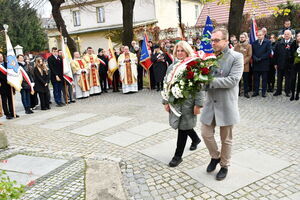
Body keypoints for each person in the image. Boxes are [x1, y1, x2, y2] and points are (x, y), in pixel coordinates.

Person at [201, 28, 243, 181]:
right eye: (212, 40)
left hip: (226, 104)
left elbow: (233, 80)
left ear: (226, 41)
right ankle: (215, 156)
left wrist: (208, 81)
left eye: (216, 40)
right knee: (205, 134)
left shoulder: (236, 57)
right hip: (210, 103)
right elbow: (203, 77)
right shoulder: (209, 57)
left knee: (226, 139)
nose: (213, 43)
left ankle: (224, 165)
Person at [162, 41, 203, 168]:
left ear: (187, 51)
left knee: (183, 127)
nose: (179, 53)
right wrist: (165, 101)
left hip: (188, 103)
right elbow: (165, 84)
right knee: (184, 125)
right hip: (175, 102)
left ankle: (177, 156)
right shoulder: (172, 67)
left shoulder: (193, 65)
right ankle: (195, 139)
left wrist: (198, 104)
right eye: (177, 51)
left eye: (182, 51)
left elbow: (199, 86)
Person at [274, 30, 294, 97]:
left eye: (288, 34)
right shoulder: (279, 43)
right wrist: (275, 63)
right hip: (280, 64)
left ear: (291, 35)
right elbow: (275, 54)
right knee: (279, 79)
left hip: (289, 65)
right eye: (285, 34)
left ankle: (287, 91)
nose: (286, 35)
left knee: (288, 79)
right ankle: (278, 91)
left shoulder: (293, 43)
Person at [251, 30, 271, 97]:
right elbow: (252, 52)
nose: (259, 36)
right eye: (258, 35)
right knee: (256, 79)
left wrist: (261, 58)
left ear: (263, 35)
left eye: (260, 35)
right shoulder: (254, 43)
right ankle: (256, 92)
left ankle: (263, 92)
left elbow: (268, 52)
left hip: (264, 63)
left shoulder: (268, 42)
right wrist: (255, 58)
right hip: (256, 63)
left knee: (264, 79)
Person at [0, 53, 18, 119]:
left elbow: (12, 72)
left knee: (11, 100)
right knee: (4, 101)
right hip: (2, 86)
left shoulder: (7, 64)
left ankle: (12, 112)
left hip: (9, 85)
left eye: (1, 56)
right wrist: (7, 78)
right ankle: (7, 114)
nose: (1, 58)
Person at [234, 33, 252, 98]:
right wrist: (238, 62)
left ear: (245, 38)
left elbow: (249, 55)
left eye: (243, 37)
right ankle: (237, 92)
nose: (241, 38)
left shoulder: (249, 46)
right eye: (240, 37)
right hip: (237, 66)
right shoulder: (236, 46)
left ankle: (246, 92)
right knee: (238, 80)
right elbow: (234, 54)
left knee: (246, 80)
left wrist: (243, 62)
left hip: (245, 65)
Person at [290, 32, 300, 101]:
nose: (299, 37)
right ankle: (293, 94)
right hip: (294, 64)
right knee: (293, 79)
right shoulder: (293, 43)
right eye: (298, 36)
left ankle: (297, 94)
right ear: (296, 37)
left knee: (299, 80)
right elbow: (291, 53)